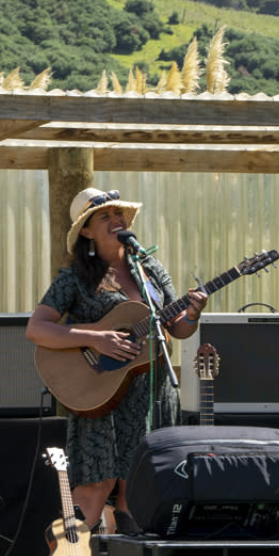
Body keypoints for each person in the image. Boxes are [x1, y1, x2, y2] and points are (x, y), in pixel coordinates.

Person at [26, 187, 208, 529]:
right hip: (101, 392)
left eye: (119, 214)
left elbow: (177, 328)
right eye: (104, 216)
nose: (116, 220)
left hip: (149, 393)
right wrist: (97, 337)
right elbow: (37, 328)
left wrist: (193, 314)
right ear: (86, 231)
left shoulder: (150, 269)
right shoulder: (75, 278)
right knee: (96, 486)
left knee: (139, 487)